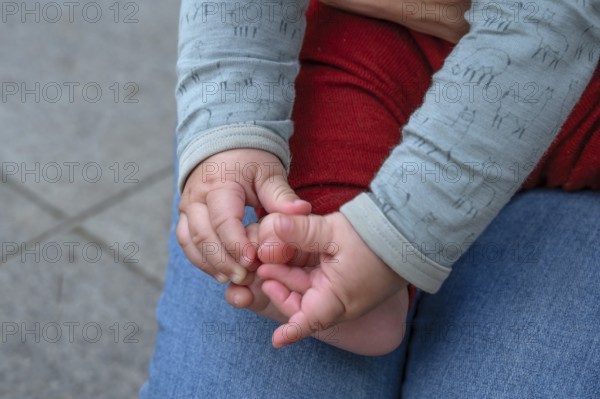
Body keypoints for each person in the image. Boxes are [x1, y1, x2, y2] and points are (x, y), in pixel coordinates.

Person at [140, 0, 600, 396]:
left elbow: (549, 21)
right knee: (303, 186)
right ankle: (343, 290)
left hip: (582, 69)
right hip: (377, 42)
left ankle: (354, 276)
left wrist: (396, 235)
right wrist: (232, 126)